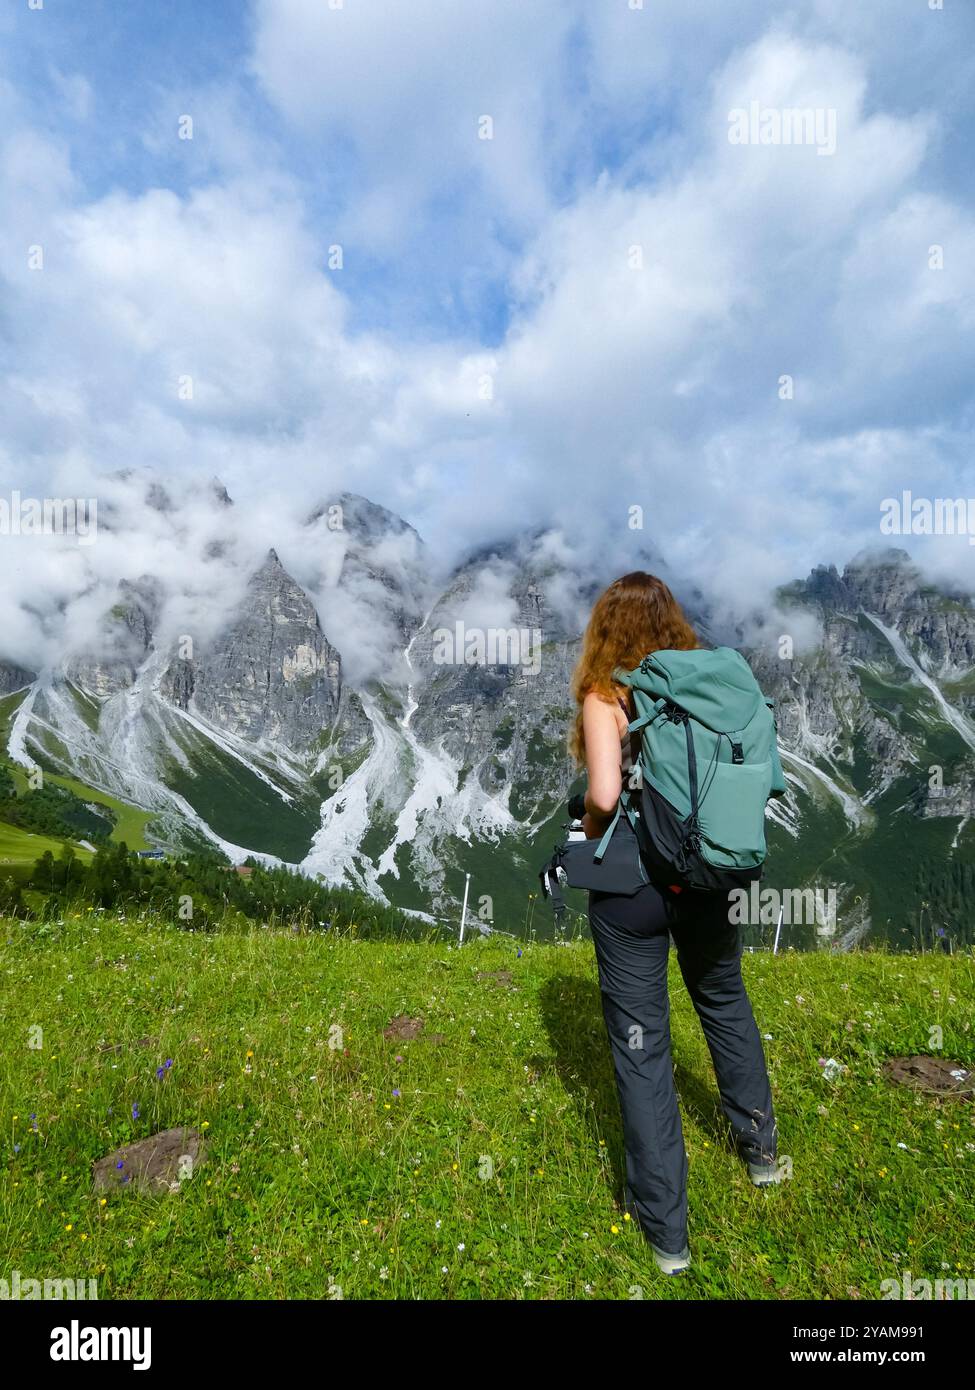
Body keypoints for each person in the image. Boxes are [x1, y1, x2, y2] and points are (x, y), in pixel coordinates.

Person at [569, 570, 784, 1276]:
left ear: (605, 627)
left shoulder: (609, 692)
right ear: (673, 624)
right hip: (712, 876)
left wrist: (586, 826)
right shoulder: (711, 684)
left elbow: (603, 792)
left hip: (634, 886)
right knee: (723, 1000)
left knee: (642, 1045)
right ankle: (759, 1157)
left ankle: (667, 1238)